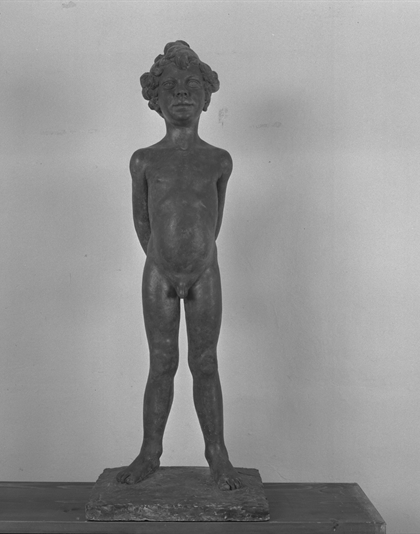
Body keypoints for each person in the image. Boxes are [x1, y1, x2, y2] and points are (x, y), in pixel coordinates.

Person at [116, 41, 243, 491]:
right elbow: (142, 220)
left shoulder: (219, 160)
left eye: (192, 85)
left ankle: (217, 454)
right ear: (156, 99)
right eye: (171, 86)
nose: (183, 93)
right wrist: (165, 260)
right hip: (160, 272)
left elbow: (214, 220)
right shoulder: (145, 160)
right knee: (162, 361)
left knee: (205, 361)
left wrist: (197, 258)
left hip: (205, 270)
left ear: (207, 97)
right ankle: (150, 451)